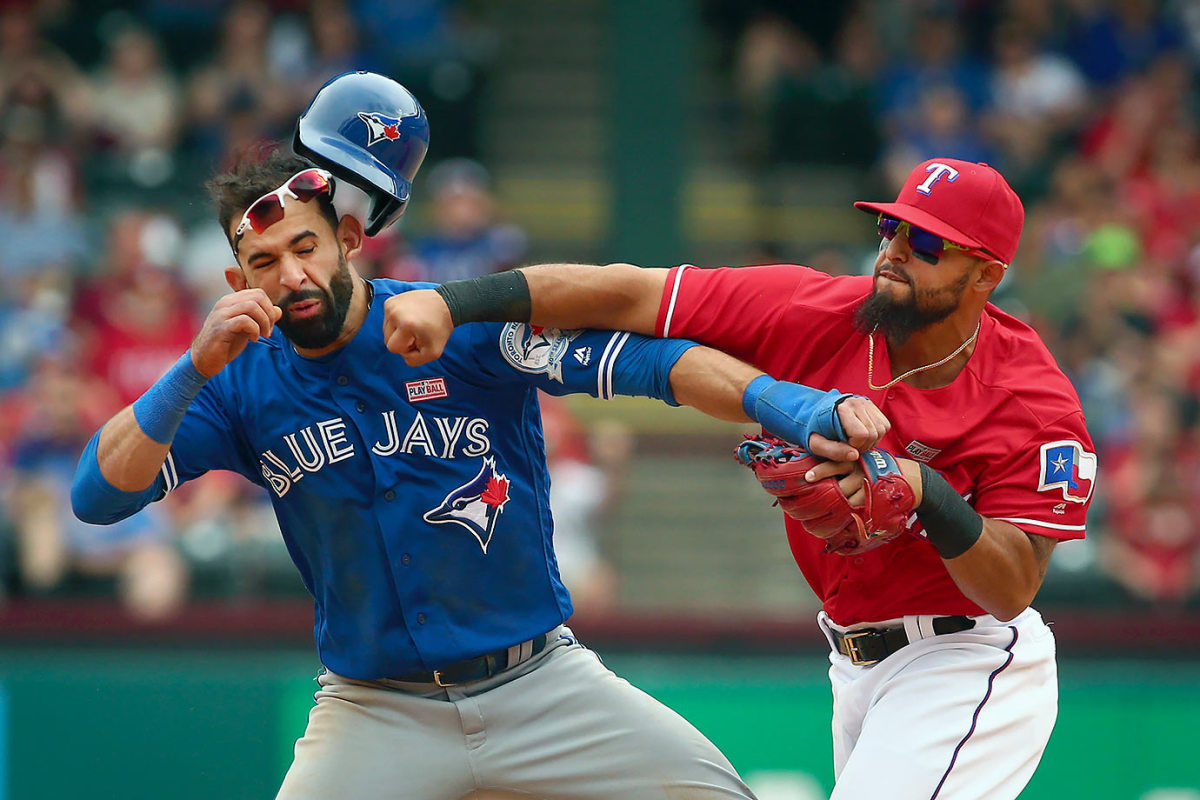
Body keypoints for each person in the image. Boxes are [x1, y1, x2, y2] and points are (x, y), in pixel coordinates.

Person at [71, 71, 891, 799]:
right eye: (261, 262)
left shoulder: (450, 323)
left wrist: (799, 409)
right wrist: (192, 367)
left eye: (305, 246)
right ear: (235, 280)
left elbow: (656, 367)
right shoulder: (235, 384)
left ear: (349, 241)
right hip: (373, 708)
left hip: (541, 685)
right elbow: (98, 496)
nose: (289, 275)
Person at [385, 158, 1097, 799]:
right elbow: (628, 294)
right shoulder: (815, 310)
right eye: (892, 228)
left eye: (929, 244)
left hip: (966, 658)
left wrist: (925, 491)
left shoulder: (1032, 400)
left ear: (987, 274)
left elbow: (1011, 589)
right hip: (854, 663)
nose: (897, 252)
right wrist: (456, 302)